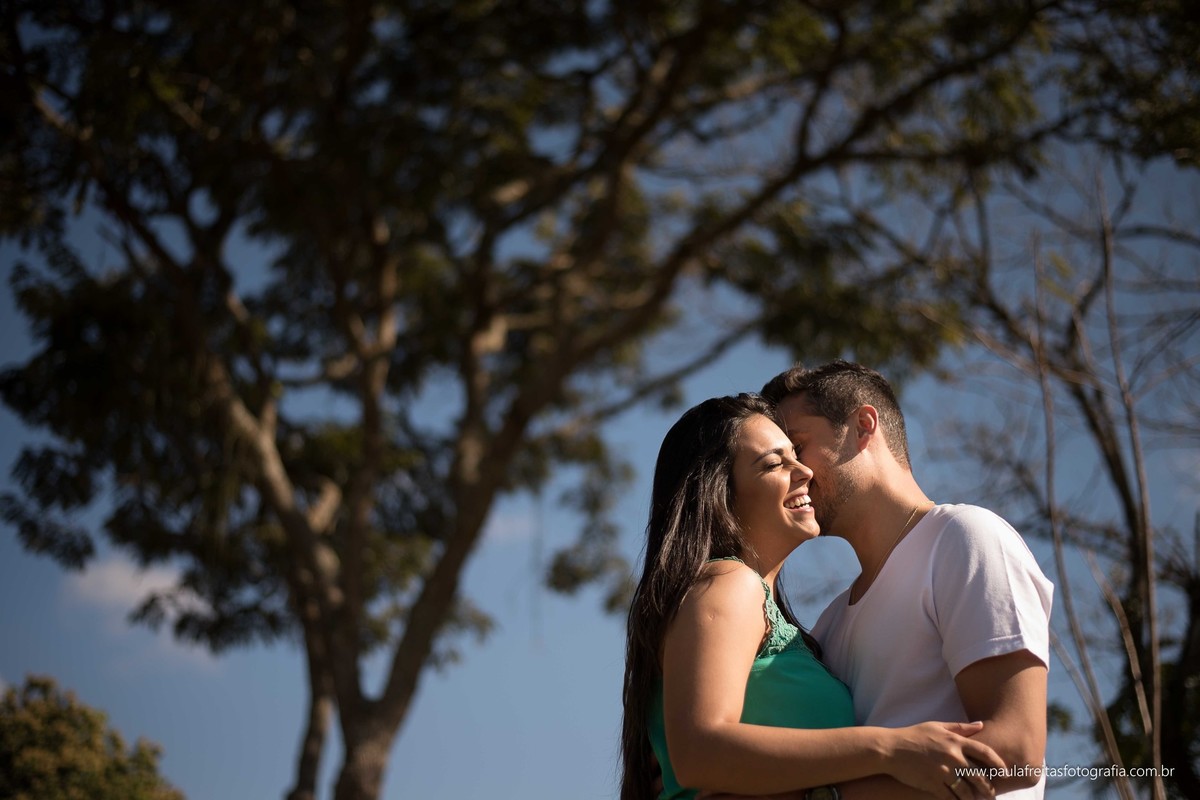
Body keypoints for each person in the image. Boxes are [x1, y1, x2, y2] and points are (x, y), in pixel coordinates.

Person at [620, 393, 1006, 800]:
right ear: (719, 494)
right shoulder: (727, 584)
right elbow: (700, 751)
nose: (803, 470)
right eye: (773, 463)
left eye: (795, 454)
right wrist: (891, 749)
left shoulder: (781, 619)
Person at [750, 360, 1056, 800]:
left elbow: (1015, 752)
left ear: (863, 425)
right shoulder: (829, 626)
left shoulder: (963, 538)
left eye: (799, 447)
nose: (793, 473)